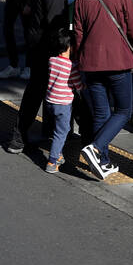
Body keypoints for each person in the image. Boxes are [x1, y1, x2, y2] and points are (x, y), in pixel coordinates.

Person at [73, 0, 133, 180]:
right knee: (123, 110)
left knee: (101, 114)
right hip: (118, 63)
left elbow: (78, 35)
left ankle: (103, 161)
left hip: (90, 64)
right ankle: (96, 148)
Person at [5, 0, 69, 154]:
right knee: (40, 89)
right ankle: (19, 136)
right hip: (48, 41)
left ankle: (42, 131)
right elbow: (55, 13)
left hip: (35, 36)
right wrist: (63, 42)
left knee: (40, 87)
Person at [42, 27, 81, 174]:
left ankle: (58, 154)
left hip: (50, 101)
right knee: (62, 132)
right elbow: (78, 85)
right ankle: (52, 161)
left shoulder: (52, 60)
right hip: (63, 104)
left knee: (56, 130)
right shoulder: (71, 67)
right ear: (70, 47)